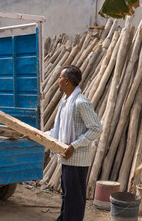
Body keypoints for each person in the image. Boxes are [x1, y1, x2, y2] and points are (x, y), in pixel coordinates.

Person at [45, 65, 102, 221]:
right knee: (68, 196)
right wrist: (38, 135)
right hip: (67, 157)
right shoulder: (66, 102)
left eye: (60, 78)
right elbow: (59, 131)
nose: (58, 80)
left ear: (67, 81)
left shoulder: (80, 103)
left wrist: (73, 146)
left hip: (77, 159)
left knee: (74, 199)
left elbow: (96, 129)